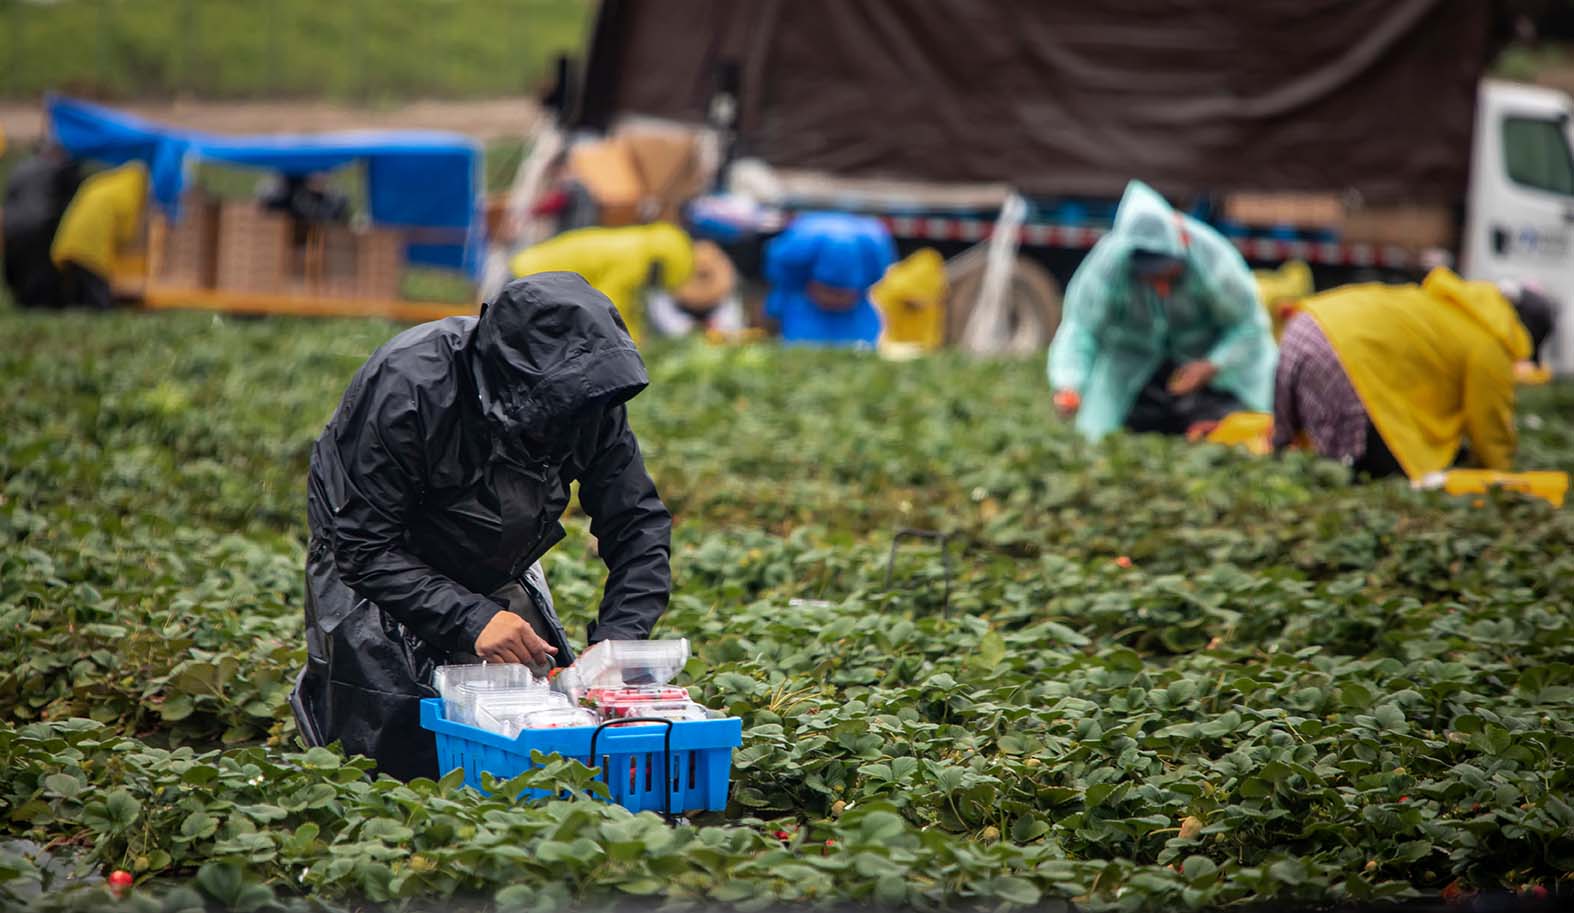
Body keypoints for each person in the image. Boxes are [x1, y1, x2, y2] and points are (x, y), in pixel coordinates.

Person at [289, 273, 674, 781]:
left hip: (498, 545)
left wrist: (617, 641)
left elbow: (637, 525)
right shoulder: (410, 386)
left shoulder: (593, 400)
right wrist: (472, 620)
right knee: (389, 732)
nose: (570, 420)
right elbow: (361, 545)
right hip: (377, 545)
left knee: (539, 707)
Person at [1272, 267, 1557, 478]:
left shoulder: (1457, 307)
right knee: (1355, 469)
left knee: (1289, 451)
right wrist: (1503, 476)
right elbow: (1489, 423)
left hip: (1305, 325)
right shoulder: (1490, 344)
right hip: (1335, 347)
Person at [1048, 180, 1276, 440]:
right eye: (1150, 278)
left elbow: (1249, 326)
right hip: (1132, 366)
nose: (1161, 288)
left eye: (1168, 275)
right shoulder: (1108, 266)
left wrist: (1211, 365)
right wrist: (1069, 383)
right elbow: (1081, 327)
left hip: (1209, 369)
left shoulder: (1213, 259)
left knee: (1231, 434)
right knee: (1103, 439)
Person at [509, 222, 695, 347]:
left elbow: (627, 305)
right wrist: (633, 345)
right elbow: (609, 308)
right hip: (530, 281)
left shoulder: (637, 243)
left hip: (533, 274)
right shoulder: (633, 260)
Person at [763, 212, 895, 347]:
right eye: (830, 291)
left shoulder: (871, 246)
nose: (835, 300)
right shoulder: (797, 252)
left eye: (841, 294)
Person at [50, 160, 148, 310]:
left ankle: (74, 314)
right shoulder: (129, 192)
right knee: (98, 299)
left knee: (78, 289)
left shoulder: (104, 183)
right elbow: (124, 230)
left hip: (68, 242)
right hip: (91, 250)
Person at [2, 141, 83, 308]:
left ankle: (24, 305)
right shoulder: (61, 169)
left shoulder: (20, 168)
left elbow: (10, 197)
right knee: (43, 276)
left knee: (20, 272)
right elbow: (70, 203)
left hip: (13, 226)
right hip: (41, 227)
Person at [645, 240, 746, 339]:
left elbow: (732, 327)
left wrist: (715, 328)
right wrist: (690, 328)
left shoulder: (727, 292)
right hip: (675, 329)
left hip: (717, 326)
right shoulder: (664, 290)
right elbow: (669, 324)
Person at [871, 247, 949, 353]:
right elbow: (914, 301)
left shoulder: (898, 278)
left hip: (904, 343)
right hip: (900, 344)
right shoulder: (904, 284)